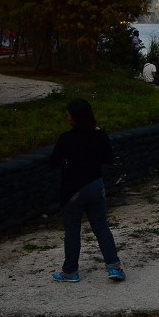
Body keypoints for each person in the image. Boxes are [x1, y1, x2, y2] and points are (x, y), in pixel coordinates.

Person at [49, 98, 125, 283]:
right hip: (95, 185)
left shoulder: (66, 139)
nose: (66, 117)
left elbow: (53, 162)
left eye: (67, 114)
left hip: (72, 190)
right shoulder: (100, 135)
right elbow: (108, 158)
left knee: (72, 232)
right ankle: (114, 267)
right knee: (101, 227)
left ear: (74, 118)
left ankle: (70, 271)